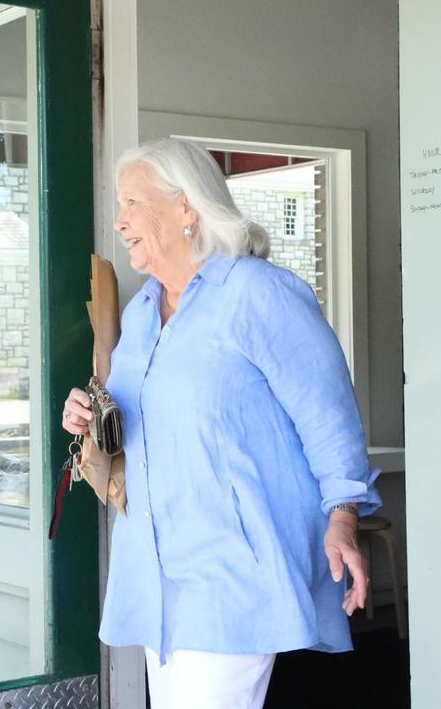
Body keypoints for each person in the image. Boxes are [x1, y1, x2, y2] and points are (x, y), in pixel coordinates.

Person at [61, 138, 381, 709]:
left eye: (133, 203)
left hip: (230, 566)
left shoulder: (257, 292)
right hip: (157, 567)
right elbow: (132, 417)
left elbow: (326, 413)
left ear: (186, 206)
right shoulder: (142, 312)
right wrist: (85, 414)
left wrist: (344, 514)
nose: (119, 221)